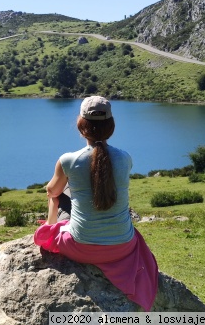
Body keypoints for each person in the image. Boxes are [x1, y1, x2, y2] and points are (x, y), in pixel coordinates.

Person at [34, 96, 158, 311]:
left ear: (81, 126)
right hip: (123, 248)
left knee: (59, 193)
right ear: (111, 126)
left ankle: (50, 225)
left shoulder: (69, 160)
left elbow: (52, 191)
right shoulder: (124, 158)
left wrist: (56, 199)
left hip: (80, 248)